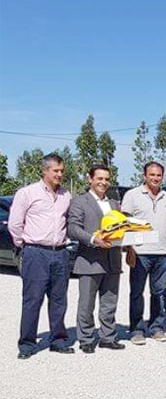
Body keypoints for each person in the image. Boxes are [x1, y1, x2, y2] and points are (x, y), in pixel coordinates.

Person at [9, 153, 73, 359]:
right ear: (44, 170)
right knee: (32, 300)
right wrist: (24, 245)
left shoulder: (66, 195)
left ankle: (58, 340)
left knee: (59, 300)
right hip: (35, 253)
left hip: (60, 253)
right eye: (56, 170)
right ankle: (27, 344)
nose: (60, 174)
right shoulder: (27, 193)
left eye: (62, 171)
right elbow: (15, 224)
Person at [68, 164, 124, 353]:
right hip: (90, 260)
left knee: (110, 302)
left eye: (107, 179)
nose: (103, 182)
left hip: (112, 260)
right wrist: (93, 239)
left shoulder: (115, 204)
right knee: (86, 303)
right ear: (90, 179)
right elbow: (73, 228)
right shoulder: (79, 201)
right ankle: (86, 338)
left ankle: (108, 337)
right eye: (99, 178)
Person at [122, 161, 166, 345]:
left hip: (161, 253)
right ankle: (137, 329)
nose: (155, 178)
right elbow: (125, 225)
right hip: (140, 253)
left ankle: (156, 327)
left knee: (159, 293)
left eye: (158, 175)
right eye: (151, 175)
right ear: (144, 176)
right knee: (137, 293)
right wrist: (129, 249)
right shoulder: (132, 195)